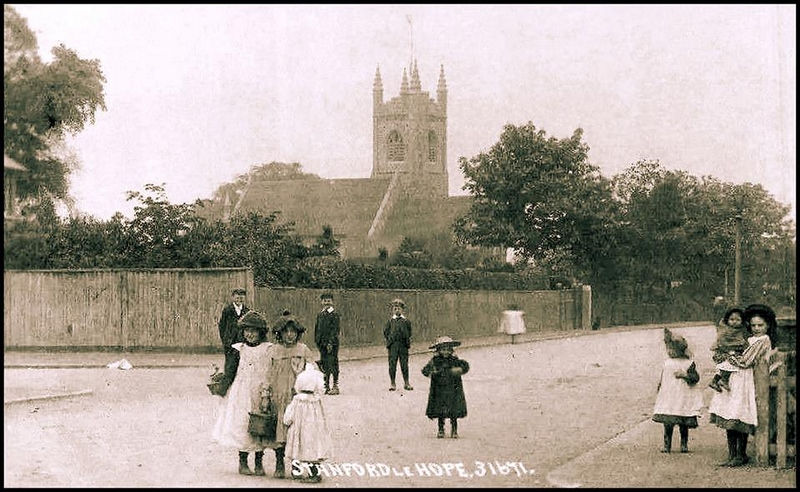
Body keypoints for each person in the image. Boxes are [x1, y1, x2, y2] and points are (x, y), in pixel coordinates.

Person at [708, 303, 776, 467]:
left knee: (739, 413)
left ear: (767, 325)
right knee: (729, 412)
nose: (757, 328)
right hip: (734, 378)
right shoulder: (748, 338)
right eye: (753, 325)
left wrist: (728, 356)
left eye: (760, 325)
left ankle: (741, 454)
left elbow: (745, 361)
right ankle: (732, 454)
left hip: (744, 379)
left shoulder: (763, 340)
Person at [212, 311, 272, 476]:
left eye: (254, 330)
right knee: (243, 425)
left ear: (261, 332)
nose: (250, 334)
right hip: (242, 393)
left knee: (260, 425)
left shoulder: (268, 349)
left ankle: (259, 462)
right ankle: (243, 461)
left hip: (260, 391)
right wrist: (222, 388)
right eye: (247, 330)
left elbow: (272, 370)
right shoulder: (239, 349)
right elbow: (230, 371)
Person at [262, 314, 316, 478]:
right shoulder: (273, 351)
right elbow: (267, 374)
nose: (290, 335)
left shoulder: (303, 350)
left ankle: (296, 465)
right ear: (280, 333)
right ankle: (279, 463)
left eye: (293, 331)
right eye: (286, 331)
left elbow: (312, 373)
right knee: (279, 433)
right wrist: (265, 394)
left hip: (296, 399)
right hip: (279, 398)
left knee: (297, 432)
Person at [652, 328, 703, 453]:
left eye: (672, 349)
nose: (669, 352)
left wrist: (685, 375)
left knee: (683, 422)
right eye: (668, 349)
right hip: (669, 396)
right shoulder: (667, 362)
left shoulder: (688, 363)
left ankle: (684, 444)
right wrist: (660, 386)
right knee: (668, 422)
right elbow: (663, 376)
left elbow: (695, 378)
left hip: (683, 396)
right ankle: (667, 444)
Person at [284, 361, 332, 483]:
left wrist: (287, 421)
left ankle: (297, 470)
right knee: (313, 447)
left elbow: (289, 415)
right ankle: (314, 472)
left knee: (297, 446)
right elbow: (323, 416)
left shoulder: (297, 400)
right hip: (314, 430)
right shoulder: (317, 400)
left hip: (298, 429)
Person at [422, 336, 470, 438]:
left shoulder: (454, 360)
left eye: (448, 349)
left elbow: (465, 366)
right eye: (443, 349)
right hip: (439, 390)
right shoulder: (435, 361)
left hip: (453, 390)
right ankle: (441, 429)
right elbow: (425, 370)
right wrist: (432, 372)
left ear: (451, 350)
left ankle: (454, 430)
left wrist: (459, 370)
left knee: (454, 411)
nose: (446, 352)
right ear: (438, 350)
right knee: (440, 411)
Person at [217, 288, 250, 394]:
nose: (239, 299)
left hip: (242, 342)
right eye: (237, 296)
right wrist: (226, 340)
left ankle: (239, 389)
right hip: (230, 344)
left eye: (242, 297)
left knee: (242, 365)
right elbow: (222, 326)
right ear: (233, 297)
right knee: (230, 365)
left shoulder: (247, 311)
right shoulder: (228, 310)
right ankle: (224, 389)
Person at [708, 307, 748, 392]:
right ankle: (723, 380)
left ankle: (716, 381)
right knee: (729, 363)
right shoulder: (724, 329)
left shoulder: (742, 330)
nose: (734, 322)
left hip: (733, 351)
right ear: (727, 320)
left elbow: (743, 341)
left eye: (738, 320)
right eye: (731, 319)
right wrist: (728, 350)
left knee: (728, 364)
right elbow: (721, 340)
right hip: (723, 350)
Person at [384, 298, 413, 391]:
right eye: (395, 308)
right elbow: (386, 332)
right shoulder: (390, 321)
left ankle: (406, 382)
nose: (397, 310)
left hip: (403, 346)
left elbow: (409, 332)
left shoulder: (406, 321)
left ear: (402, 310)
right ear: (392, 310)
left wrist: (405, 339)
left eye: (399, 308)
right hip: (393, 346)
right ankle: (393, 383)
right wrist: (390, 340)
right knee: (392, 365)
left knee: (404, 364)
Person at [314, 293, 341, 395]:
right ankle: (326, 385)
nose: (326, 303)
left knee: (332, 363)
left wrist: (330, 342)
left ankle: (335, 385)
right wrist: (317, 341)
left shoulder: (334, 314)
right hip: (322, 344)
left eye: (328, 300)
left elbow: (335, 330)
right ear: (322, 302)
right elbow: (317, 329)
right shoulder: (320, 315)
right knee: (324, 364)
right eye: (325, 301)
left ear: (332, 302)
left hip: (332, 344)